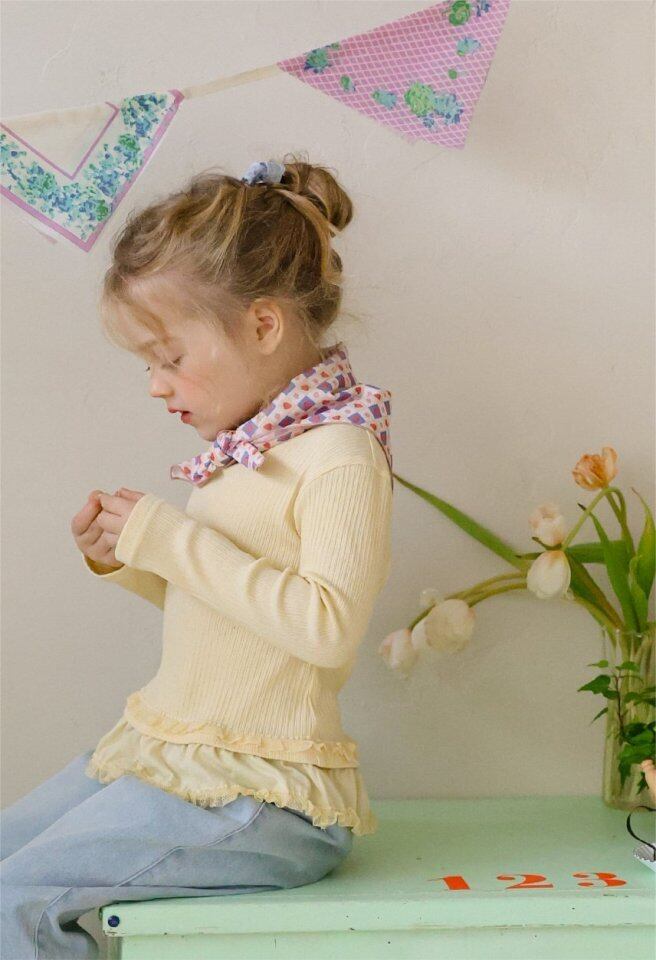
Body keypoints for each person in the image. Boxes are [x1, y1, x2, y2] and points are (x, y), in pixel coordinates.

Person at [1, 154, 394, 959]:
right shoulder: (250, 446)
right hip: (183, 757)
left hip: (265, 798)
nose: (156, 385)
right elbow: (238, 620)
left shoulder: (339, 454)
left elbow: (325, 630)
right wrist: (134, 559)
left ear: (262, 325)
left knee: (16, 900)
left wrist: (172, 540)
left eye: (170, 357)